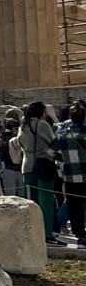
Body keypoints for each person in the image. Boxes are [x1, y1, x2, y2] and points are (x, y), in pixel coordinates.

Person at [20, 100, 59, 240]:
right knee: (46, 202)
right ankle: (47, 233)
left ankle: (32, 233)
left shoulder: (23, 125)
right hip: (43, 163)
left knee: (31, 201)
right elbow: (54, 142)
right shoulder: (42, 124)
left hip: (27, 165)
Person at [54, 100, 86, 245]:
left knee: (74, 206)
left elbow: (51, 150)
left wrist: (65, 160)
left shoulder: (62, 128)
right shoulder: (83, 130)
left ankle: (80, 235)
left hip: (69, 174)